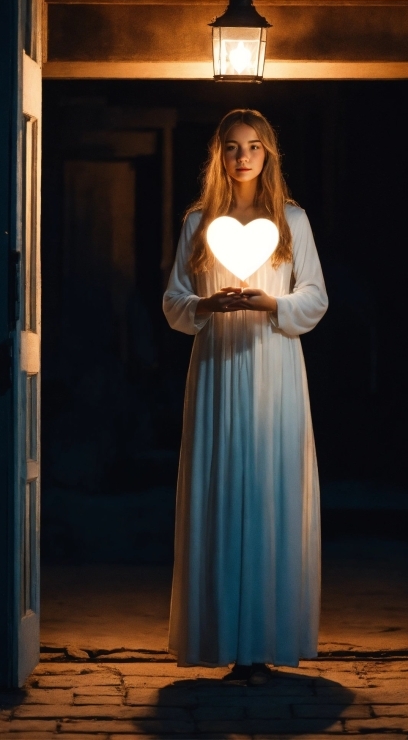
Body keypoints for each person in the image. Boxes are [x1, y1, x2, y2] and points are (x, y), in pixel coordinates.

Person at [163, 108, 328, 685]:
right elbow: (174, 302)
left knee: (267, 487)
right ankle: (223, 639)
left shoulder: (291, 221)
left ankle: (263, 641)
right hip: (216, 368)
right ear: (219, 155)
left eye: (253, 147)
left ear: (267, 154)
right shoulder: (197, 224)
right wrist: (206, 306)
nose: (242, 157)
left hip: (273, 366)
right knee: (220, 485)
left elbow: (315, 296)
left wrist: (271, 306)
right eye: (232, 147)